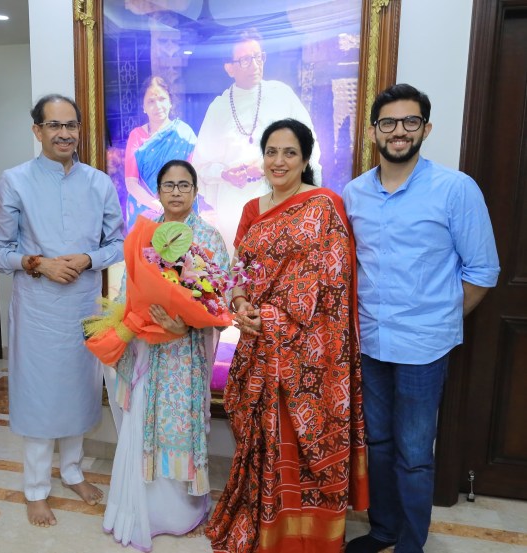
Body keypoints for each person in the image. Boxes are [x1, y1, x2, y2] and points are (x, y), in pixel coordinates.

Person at [342, 84, 500, 553]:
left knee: (413, 457)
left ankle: (411, 544)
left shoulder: (454, 189)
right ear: (374, 131)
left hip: (423, 350)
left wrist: (439, 319)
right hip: (369, 342)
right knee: (380, 445)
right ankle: (384, 530)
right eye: (388, 122)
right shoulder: (354, 194)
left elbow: (483, 271)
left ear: (426, 128)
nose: (399, 131)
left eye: (410, 122)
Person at [206, 119, 368, 553]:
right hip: (258, 346)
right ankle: (264, 528)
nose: (279, 161)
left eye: (289, 152)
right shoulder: (252, 210)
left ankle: (309, 538)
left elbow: (332, 281)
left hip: (309, 354)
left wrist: (275, 317)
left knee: (299, 443)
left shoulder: (324, 205)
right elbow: (238, 271)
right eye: (272, 151)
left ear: (305, 158)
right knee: (264, 441)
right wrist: (240, 305)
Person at [0, 94, 125, 528]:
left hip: (83, 305)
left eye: (71, 125)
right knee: (39, 396)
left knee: (79, 393)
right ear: (37, 130)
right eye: (54, 125)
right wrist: (36, 263)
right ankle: (34, 489)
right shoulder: (15, 181)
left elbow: (118, 242)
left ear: (79, 129)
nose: (64, 133)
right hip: (38, 308)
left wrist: (87, 259)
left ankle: (72, 472)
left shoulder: (99, 182)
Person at [103, 160, 230, 551]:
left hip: (186, 355)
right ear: (157, 191)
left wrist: (184, 326)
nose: (176, 192)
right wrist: (140, 323)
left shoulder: (209, 238)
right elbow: (128, 291)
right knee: (145, 423)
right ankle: (147, 511)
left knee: (179, 425)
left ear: (195, 191)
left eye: (184, 185)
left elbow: (220, 303)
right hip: (146, 351)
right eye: (169, 185)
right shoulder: (145, 234)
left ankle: (182, 511)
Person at [191, 30, 322, 253]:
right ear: (229, 68)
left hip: (279, 195)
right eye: (245, 60)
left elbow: (309, 147)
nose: (254, 65)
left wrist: (266, 167)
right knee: (240, 268)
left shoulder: (282, 94)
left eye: (258, 56)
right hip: (234, 203)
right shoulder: (218, 108)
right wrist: (226, 174)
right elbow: (201, 166)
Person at [124, 76, 197, 229]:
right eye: (151, 101)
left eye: (162, 99)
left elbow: (193, 180)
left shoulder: (184, 134)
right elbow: (131, 183)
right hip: (144, 214)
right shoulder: (136, 136)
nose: (158, 106)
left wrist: (173, 208)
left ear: (170, 102)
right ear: (143, 106)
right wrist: (158, 207)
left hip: (179, 212)